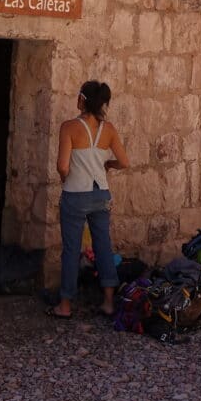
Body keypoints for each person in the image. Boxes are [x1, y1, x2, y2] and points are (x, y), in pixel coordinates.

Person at [51, 79, 130, 319]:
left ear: (82, 100)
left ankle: (65, 305)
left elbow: (62, 166)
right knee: (103, 246)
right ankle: (108, 301)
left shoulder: (69, 127)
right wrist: (108, 164)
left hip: (75, 194)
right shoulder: (109, 129)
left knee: (71, 250)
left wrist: (65, 179)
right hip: (101, 194)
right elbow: (124, 163)